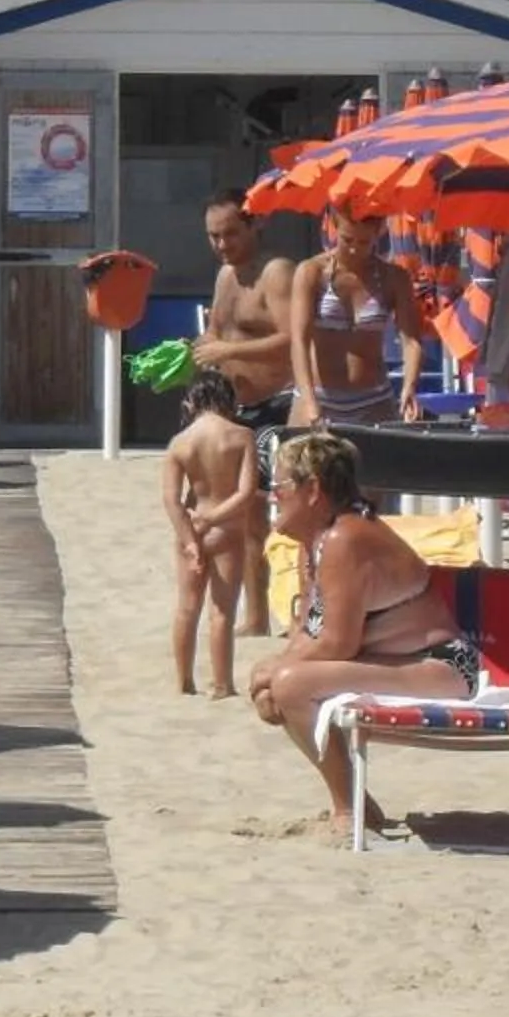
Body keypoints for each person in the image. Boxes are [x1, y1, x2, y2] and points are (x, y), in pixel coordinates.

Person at [246, 431, 484, 841]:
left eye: (279, 485)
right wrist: (272, 668)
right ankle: (357, 804)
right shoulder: (316, 541)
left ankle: (350, 807)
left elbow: (338, 644)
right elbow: (307, 631)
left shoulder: (346, 538)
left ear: (313, 490)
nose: (271, 495)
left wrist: (278, 671)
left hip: (444, 666)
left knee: (290, 685)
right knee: (282, 682)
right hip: (404, 662)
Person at [192, 194, 294, 631]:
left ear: (256, 226)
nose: (221, 243)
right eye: (213, 236)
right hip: (235, 408)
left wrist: (229, 348)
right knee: (246, 516)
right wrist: (194, 353)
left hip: (278, 403)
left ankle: (290, 608)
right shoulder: (224, 277)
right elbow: (215, 332)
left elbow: (294, 337)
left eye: (231, 233)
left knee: (286, 513)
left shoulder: (277, 273)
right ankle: (254, 617)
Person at [286, 202, 424, 429]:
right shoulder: (312, 273)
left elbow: (411, 341)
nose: (354, 249)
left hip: (373, 399)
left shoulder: (394, 277)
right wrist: (309, 401)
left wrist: (410, 385)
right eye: (346, 240)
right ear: (334, 226)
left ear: (379, 231)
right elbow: (299, 341)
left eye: (364, 242)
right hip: (318, 396)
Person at [163, 375, 259, 696]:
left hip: (190, 526)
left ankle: (183, 680)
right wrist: (213, 518)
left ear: (192, 402)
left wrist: (191, 539)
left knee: (187, 608)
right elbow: (246, 494)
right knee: (222, 612)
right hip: (226, 528)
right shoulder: (241, 436)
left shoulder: (180, 442)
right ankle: (221, 684)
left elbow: (172, 500)